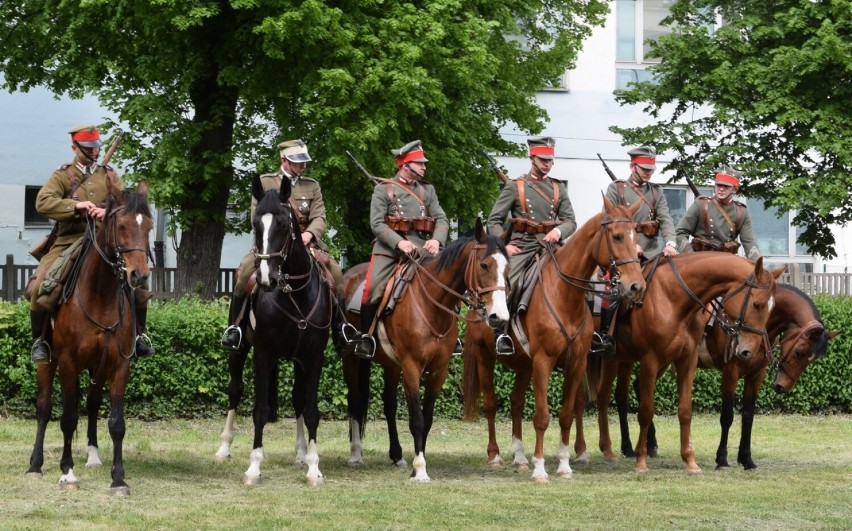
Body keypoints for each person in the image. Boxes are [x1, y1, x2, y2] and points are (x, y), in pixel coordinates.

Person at [29, 125, 154, 365]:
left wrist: (104, 211)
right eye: (88, 148)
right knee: (41, 287)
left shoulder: (109, 174)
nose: (94, 152)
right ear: (75, 147)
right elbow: (43, 202)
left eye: (96, 147)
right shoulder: (63, 176)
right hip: (69, 240)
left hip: (105, 240)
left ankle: (139, 336)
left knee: (139, 285)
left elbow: (125, 205)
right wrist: (77, 206)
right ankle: (40, 342)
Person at [221, 139, 345, 350]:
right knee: (243, 275)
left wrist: (309, 235)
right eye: (297, 162)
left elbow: (320, 217)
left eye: (304, 162)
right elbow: (256, 217)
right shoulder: (265, 183)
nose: (302, 166)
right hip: (272, 245)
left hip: (307, 244)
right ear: (284, 161)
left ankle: (341, 330)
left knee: (337, 275)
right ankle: (236, 329)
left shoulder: (312, 185)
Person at [350, 140, 450, 359]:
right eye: (420, 164)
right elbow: (377, 224)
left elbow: (441, 219)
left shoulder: (427, 190)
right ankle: (366, 336)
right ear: (405, 165)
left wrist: (437, 240)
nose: (424, 167)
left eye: (424, 164)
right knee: (373, 287)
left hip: (422, 248)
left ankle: (450, 336)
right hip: (390, 249)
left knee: (448, 279)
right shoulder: (383, 189)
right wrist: (399, 242)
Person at [486, 136, 577, 355]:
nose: (547, 163)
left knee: (582, 280)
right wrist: (503, 246)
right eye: (543, 159)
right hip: (522, 246)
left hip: (551, 246)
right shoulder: (514, 186)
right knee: (509, 283)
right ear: (532, 158)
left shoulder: (558, 188)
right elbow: (494, 221)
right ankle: (501, 334)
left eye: (550, 160)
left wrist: (557, 231)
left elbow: (571, 221)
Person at [597, 145, 679, 358]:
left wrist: (671, 242)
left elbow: (666, 218)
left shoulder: (656, 192)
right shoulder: (616, 189)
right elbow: (608, 222)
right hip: (624, 253)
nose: (648, 172)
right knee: (612, 289)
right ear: (632, 165)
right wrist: (631, 246)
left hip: (651, 251)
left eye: (651, 169)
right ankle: (606, 336)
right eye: (644, 168)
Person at [675, 165, 760, 260]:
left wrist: (758, 266)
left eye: (726, 186)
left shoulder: (742, 212)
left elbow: (749, 242)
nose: (721, 189)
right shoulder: (700, 204)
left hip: (726, 261)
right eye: (719, 185)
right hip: (699, 261)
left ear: (735, 189)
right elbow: (679, 232)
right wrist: (690, 256)